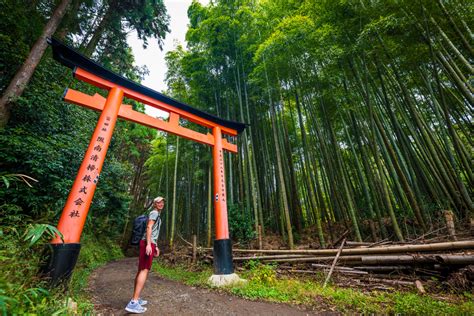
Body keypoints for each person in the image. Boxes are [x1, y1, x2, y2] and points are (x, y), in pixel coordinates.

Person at [125, 196, 165, 314]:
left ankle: (136, 298)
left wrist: (155, 245)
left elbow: (153, 231)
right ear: (154, 204)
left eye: (162, 202)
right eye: (158, 202)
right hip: (147, 243)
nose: (161, 203)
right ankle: (134, 302)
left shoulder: (154, 213)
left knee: (141, 269)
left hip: (149, 242)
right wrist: (149, 244)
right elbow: (149, 227)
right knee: (144, 270)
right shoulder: (154, 213)